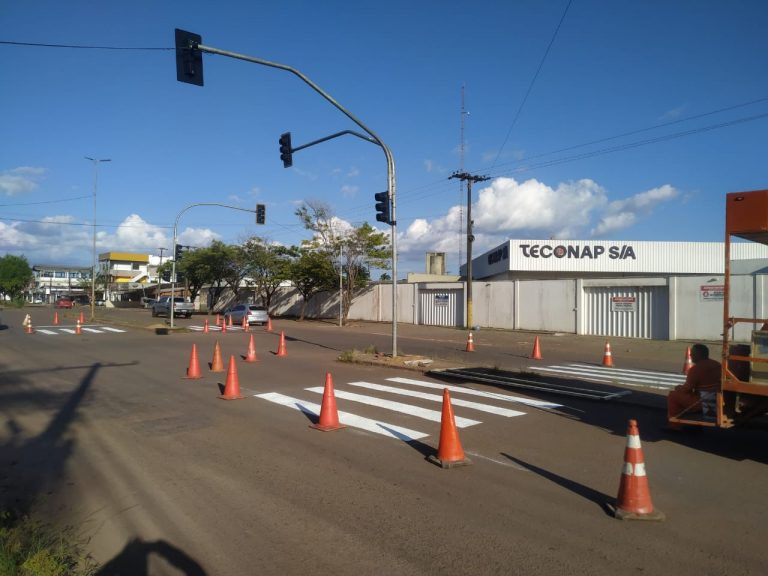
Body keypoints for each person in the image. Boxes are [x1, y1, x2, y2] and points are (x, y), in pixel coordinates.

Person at [667, 343, 721, 429]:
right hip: (718, 400)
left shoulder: (696, 369)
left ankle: (675, 426)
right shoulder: (717, 364)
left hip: (703, 402)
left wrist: (678, 388)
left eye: (693, 353)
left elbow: (686, 389)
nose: (691, 355)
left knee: (673, 395)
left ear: (698, 355)